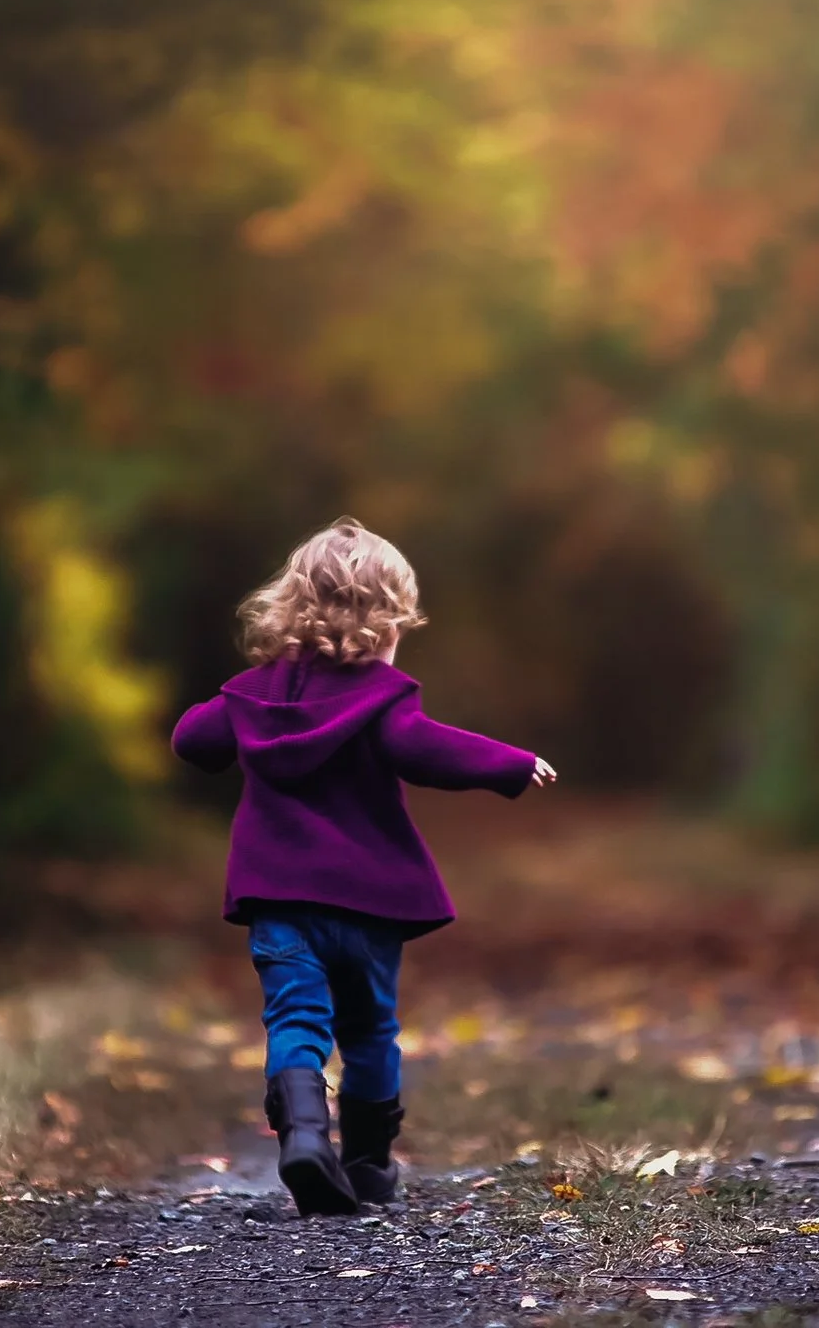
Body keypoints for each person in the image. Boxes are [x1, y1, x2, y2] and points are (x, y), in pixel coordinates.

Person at [171, 517, 556, 1214]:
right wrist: (510, 761)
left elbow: (192, 740)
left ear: (289, 609)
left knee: (296, 1018)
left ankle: (305, 1139)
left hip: (281, 901)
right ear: (386, 624)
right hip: (369, 907)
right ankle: (371, 1164)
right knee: (371, 1030)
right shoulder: (384, 697)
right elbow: (424, 748)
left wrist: (242, 696)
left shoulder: (250, 694)